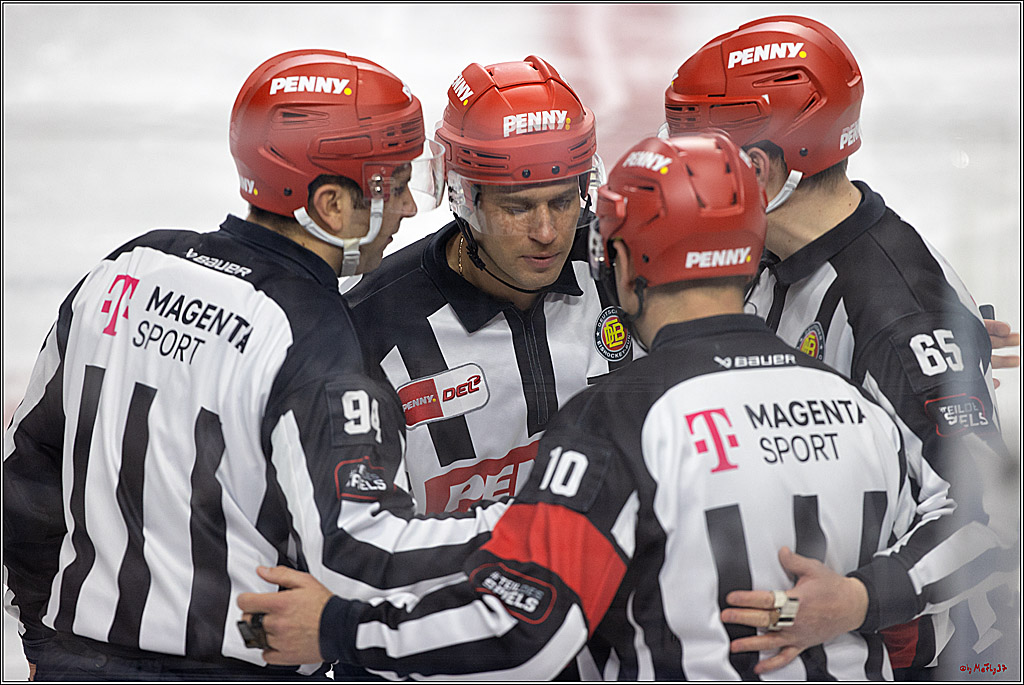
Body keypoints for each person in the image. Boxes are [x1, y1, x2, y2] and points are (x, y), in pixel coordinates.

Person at [238, 132, 935, 680]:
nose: (549, 234)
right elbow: (986, 525)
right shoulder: (855, 403)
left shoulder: (616, 417)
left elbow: (523, 634)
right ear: (754, 256)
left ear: (624, 265)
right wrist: (865, 600)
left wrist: (338, 629)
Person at [1, 48, 507, 680]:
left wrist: (46, 638)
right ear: (329, 206)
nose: (408, 210)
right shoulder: (316, 343)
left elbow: (24, 472)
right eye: (395, 186)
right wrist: (537, 524)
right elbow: (358, 548)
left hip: (72, 664)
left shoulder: (125, 271)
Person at [661, 15, 1019, 678]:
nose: (684, 174)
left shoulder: (894, 315)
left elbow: (996, 518)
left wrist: (855, 599)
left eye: (699, 155)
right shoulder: (768, 244)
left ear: (760, 170)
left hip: (941, 661)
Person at [342, 55, 633, 516]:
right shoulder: (365, 327)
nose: (547, 232)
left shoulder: (630, 265)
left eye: (562, 202)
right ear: (461, 198)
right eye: (518, 209)